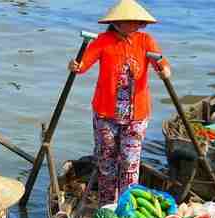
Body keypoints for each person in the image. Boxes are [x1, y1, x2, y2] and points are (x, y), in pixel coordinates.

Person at [68, 0, 171, 206]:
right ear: (118, 22)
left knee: (130, 164)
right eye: (130, 21)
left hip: (137, 115)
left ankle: (126, 207)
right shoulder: (103, 41)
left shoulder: (145, 41)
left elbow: (163, 65)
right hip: (106, 114)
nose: (135, 25)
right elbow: (82, 65)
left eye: (137, 22)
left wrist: (164, 71)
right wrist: (75, 65)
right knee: (107, 164)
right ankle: (107, 205)